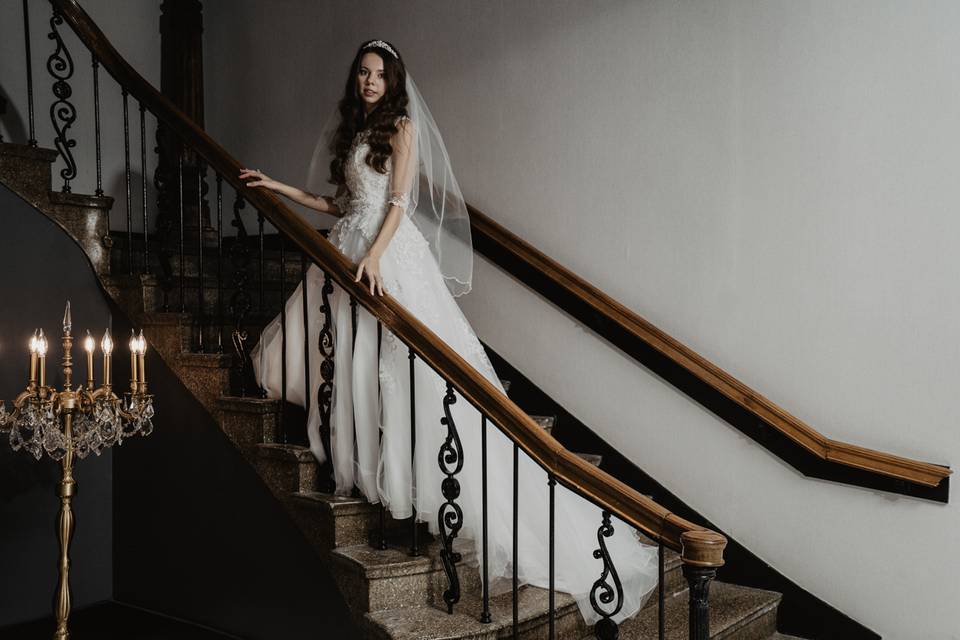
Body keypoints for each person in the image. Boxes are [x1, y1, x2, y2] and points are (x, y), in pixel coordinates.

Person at [243, 39, 657, 625]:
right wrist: (278, 189)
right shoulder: (356, 133)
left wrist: (378, 259)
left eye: (378, 75)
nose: (367, 82)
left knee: (410, 370)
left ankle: (427, 489)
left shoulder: (402, 127)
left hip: (385, 256)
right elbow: (340, 205)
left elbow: (400, 203)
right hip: (349, 250)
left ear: (392, 82)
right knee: (352, 362)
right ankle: (369, 470)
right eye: (361, 73)